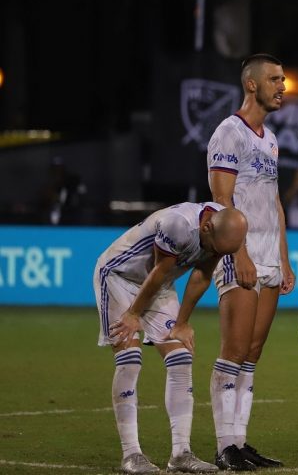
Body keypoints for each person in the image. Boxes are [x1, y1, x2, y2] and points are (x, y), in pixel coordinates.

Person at [96, 202, 247, 474]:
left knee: (181, 357)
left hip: (158, 284)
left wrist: (182, 323)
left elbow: (201, 275)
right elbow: (159, 271)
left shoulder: (219, 230)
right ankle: (131, 455)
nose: (214, 253)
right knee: (130, 358)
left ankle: (181, 453)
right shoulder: (177, 225)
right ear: (206, 227)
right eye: (214, 248)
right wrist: (132, 314)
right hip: (119, 277)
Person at [206, 53, 296, 471]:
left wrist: (284, 259)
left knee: (253, 352)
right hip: (240, 253)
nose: (282, 86)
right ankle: (225, 446)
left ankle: (241, 442)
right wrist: (239, 254)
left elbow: (274, 202)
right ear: (251, 85)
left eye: (283, 79)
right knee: (234, 349)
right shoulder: (229, 132)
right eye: (275, 79)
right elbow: (222, 201)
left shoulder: (270, 139)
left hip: (269, 255)